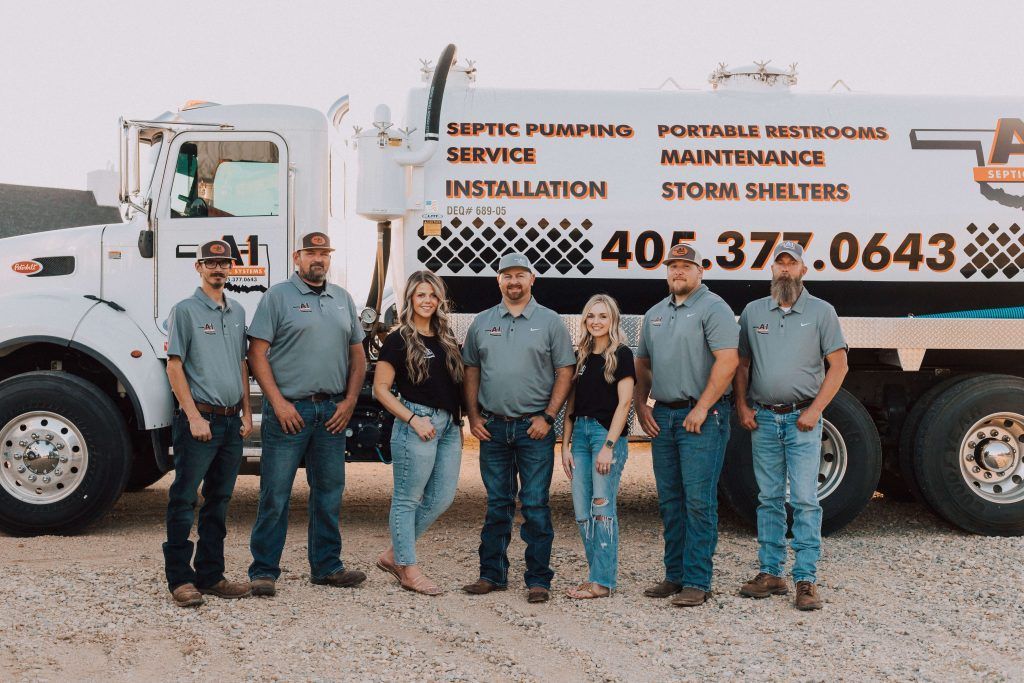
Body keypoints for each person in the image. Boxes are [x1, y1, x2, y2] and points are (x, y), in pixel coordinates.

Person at [246, 231, 367, 596]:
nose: (319, 259)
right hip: (290, 412)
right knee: (275, 494)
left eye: (325, 253)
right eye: (312, 253)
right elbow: (256, 354)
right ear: (297, 257)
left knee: (329, 492)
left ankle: (327, 566)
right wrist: (279, 404)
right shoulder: (277, 297)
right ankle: (264, 571)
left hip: (331, 411)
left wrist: (348, 403)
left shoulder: (342, 299)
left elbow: (358, 356)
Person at [733, 241, 848, 611]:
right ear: (772, 270)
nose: (785, 269)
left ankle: (806, 579)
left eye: (791, 264)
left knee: (803, 500)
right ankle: (770, 574)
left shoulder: (822, 312)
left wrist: (816, 410)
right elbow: (742, 364)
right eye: (779, 263)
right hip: (764, 418)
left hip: (802, 421)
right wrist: (742, 404)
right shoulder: (753, 312)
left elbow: (839, 366)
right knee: (767, 498)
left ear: (803, 270)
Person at [461, 252, 576, 604]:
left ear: (532, 279)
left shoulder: (550, 321)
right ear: (498, 280)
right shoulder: (482, 321)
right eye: (507, 276)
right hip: (493, 428)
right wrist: (474, 416)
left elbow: (565, 371)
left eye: (520, 275)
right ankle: (491, 574)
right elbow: (471, 371)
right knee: (497, 504)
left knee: (536, 505)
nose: (514, 282)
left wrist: (548, 417)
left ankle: (538, 580)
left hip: (534, 429)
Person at [634, 243, 739, 607]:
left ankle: (697, 580)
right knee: (670, 499)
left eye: (685, 266)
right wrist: (640, 406)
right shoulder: (656, 313)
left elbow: (728, 361)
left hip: (702, 417)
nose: (678, 271)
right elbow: (642, 365)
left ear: (700, 271)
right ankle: (674, 575)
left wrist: (703, 407)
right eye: (673, 266)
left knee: (698, 500)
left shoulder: (714, 309)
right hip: (664, 415)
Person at [163, 239, 253, 608]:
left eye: (224, 263)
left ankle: (211, 575)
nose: (219, 269)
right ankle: (181, 580)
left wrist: (247, 413)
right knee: (184, 499)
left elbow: (241, 365)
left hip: (232, 423)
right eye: (211, 263)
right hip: (200, 422)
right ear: (198, 267)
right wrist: (193, 416)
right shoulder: (184, 311)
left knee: (220, 500)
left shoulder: (237, 312)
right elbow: (174, 365)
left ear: (231, 268)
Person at [373, 271, 465, 596]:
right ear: (410, 298)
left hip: (449, 427)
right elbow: (380, 389)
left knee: (441, 498)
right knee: (407, 499)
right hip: (418, 425)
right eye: (420, 295)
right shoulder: (398, 339)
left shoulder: (446, 336)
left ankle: (393, 555)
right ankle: (408, 568)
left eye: (432, 295)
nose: (427, 301)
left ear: (439, 300)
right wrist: (413, 419)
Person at [560, 294, 635, 599]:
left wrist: (608, 446)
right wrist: (564, 445)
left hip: (606, 436)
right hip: (579, 435)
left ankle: (602, 582)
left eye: (603, 316)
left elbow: (625, 403)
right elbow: (571, 405)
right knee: (581, 510)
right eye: (591, 316)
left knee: (602, 509)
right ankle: (595, 576)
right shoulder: (581, 356)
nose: (596, 321)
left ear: (613, 320)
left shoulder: (623, 355)